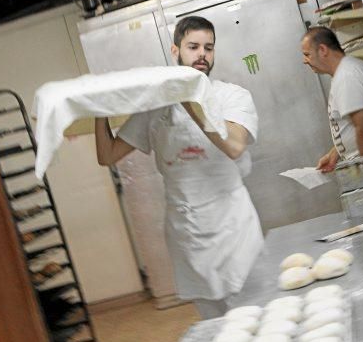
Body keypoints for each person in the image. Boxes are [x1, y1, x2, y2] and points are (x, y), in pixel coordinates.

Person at [94, 16, 263, 319]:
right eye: (193, 46)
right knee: (216, 326)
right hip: (188, 233)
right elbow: (107, 155)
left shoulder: (231, 96)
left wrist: (192, 103)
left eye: (208, 48)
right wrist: (97, 111)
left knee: (254, 313)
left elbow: (234, 146)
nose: (202, 55)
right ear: (175, 51)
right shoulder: (156, 107)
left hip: (232, 226)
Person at [301, 26, 363, 172]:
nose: (305, 61)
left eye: (307, 54)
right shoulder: (346, 71)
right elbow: (352, 125)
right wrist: (335, 153)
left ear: (323, 50)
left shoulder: (347, 77)